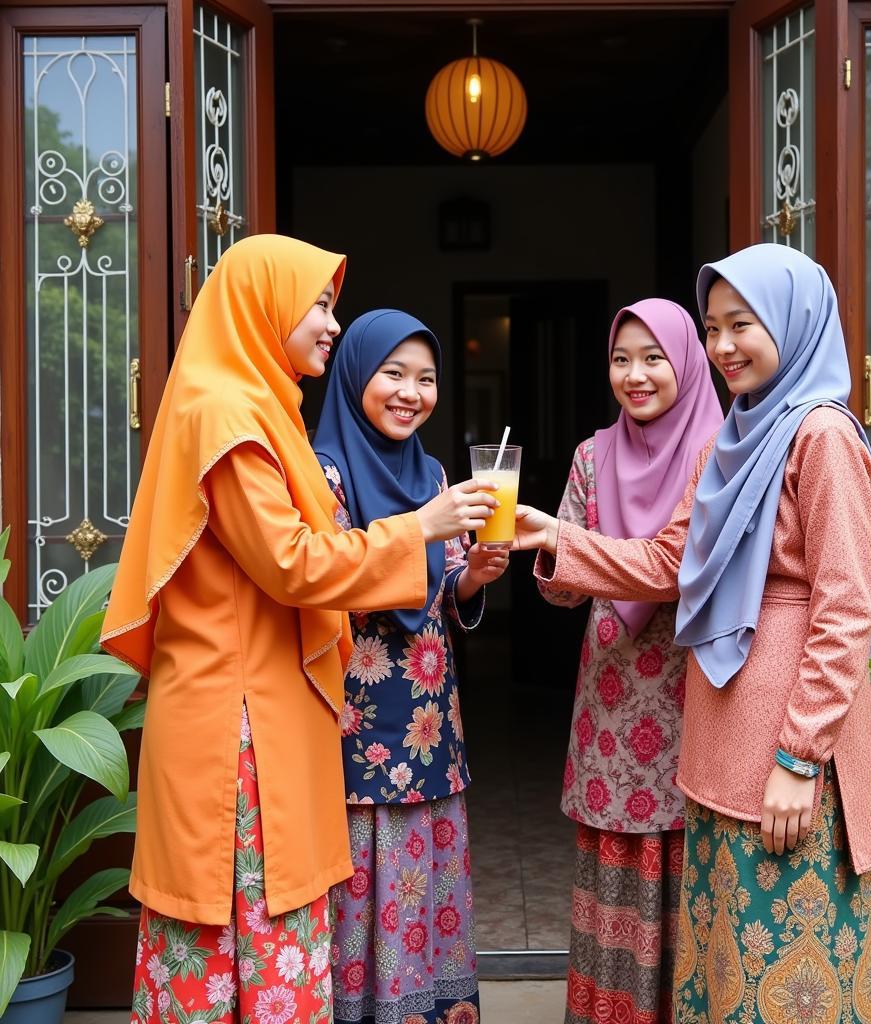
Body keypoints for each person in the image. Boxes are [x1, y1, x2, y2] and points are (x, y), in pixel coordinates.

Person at [101, 237, 497, 1024]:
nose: (330, 323)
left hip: (260, 704)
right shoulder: (229, 417)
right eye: (317, 304)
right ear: (263, 305)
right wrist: (418, 529)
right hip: (236, 723)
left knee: (260, 931)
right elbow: (290, 563)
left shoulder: (259, 405)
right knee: (240, 931)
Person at [516, 244, 871, 1024]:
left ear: (793, 321)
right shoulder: (733, 438)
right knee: (725, 968)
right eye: (712, 328)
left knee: (789, 973)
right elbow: (664, 562)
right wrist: (554, 534)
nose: (721, 347)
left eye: (741, 325)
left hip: (785, 747)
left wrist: (800, 752)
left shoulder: (821, 436)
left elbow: (848, 607)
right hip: (716, 742)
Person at [313, 309, 507, 1024]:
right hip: (355, 722)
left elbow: (440, 590)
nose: (410, 392)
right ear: (357, 374)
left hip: (430, 722)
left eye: (426, 379)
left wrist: (474, 577)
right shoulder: (320, 472)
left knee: (423, 879)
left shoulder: (433, 473)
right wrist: (420, 529)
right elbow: (324, 581)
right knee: (366, 881)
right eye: (393, 373)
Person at [535, 299, 721, 1024]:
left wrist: (563, 541)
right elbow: (562, 592)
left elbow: (679, 569)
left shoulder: (722, 451)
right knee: (615, 868)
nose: (635, 375)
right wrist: (538, 555)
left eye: (653, 358)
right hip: (612, 700)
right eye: (620, 359)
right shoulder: (592, 455)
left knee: (688, 870)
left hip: (692, 692)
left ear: (687, 361)